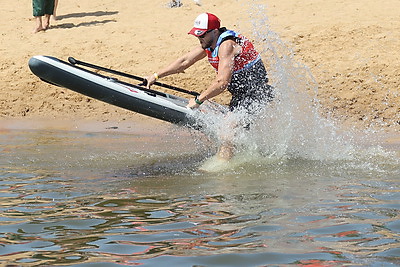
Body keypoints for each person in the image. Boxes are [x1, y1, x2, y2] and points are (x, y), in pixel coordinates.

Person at [146, 13, 273, 160]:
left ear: (214, 31)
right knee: (211, 124)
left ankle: (222, 172)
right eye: (197, 35)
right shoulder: (209, 43)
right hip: (240, 95)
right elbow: (184, 61)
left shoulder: (227, 46)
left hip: (256, 93)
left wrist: (199, 99)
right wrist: (155, 76)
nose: (199, 39)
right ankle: (231, 155)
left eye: (202, 35)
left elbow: (222, 83)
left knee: (227, 132)